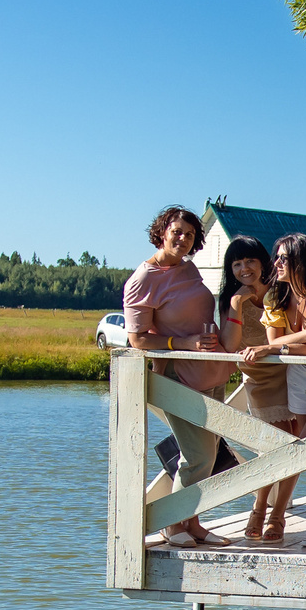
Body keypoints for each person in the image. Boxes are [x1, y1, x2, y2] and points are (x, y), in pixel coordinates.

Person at [121, 206, 229, 549]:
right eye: (177, 231)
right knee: (197, 456)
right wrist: (181, 343)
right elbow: (137, 339)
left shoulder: (188, 267)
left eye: (190, 234)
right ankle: (171, 523)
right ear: (161, 232)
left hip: (211, 371)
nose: (183, 239)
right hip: (178, 376)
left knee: (208, 454)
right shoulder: (143, 279)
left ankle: (192, 523)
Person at [237, 234, 306, 548]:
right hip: (297, 380)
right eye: (277, 257)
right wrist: (305, 336)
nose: (277, 264)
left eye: (284, 258)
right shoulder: (277, 297)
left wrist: (291, 340)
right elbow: (290, 345)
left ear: (301, 261)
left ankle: (293, 516)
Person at [217, 235, 292, 545]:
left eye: (250, 261)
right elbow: (231, 346)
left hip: (293, 372)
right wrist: (236, 304)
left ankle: (276, 514)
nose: (244, 268)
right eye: (236, 264)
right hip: (259, 378)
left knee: (294, 445)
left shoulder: (284, 292)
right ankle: (260, 508)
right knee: (271, 445)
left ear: (263, 262)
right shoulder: (229, 299)